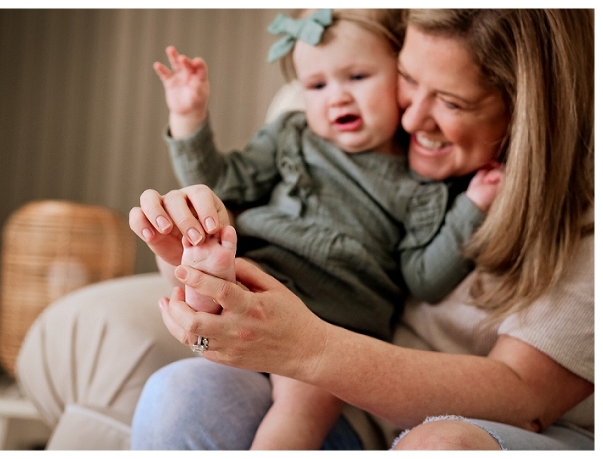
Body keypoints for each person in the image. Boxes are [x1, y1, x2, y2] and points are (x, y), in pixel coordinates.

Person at [128, 9, 594, 450]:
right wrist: (183, 231)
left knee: (321, 410)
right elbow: (228, 180)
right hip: (276, 279)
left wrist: (311, 346)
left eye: (452, 101)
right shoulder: (302, 127)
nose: (411, 119)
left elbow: (519, 391)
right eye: (409, 78)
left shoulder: (434, 194)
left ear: (527, 114)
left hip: (352, 346)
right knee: (180, 395)